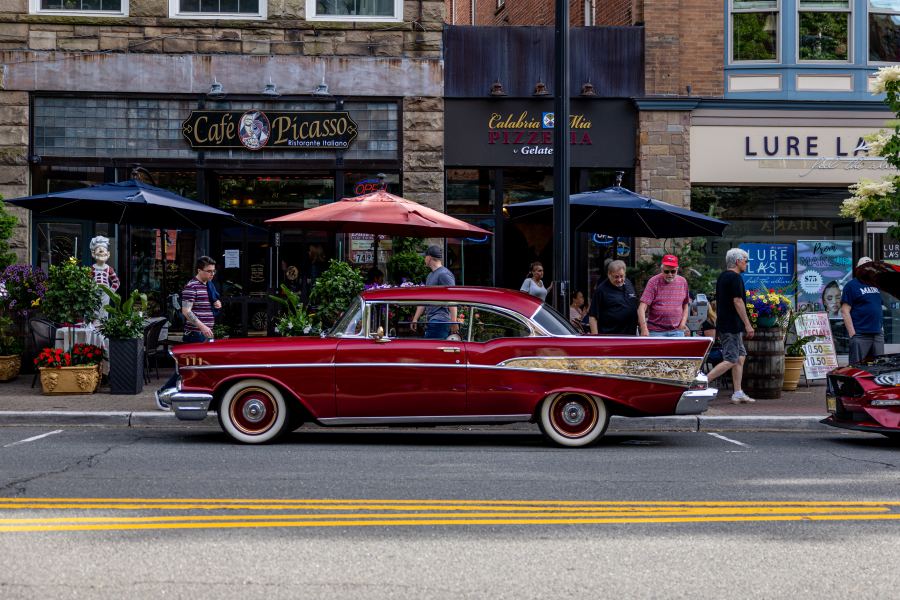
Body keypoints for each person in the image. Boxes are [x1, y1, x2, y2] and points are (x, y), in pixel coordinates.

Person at [706, 248, 756, 404]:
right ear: (737, 261)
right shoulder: (735, 278)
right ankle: (699, 383)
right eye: (745, 261)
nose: (746, 264)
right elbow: (738, 301)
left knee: (740, 357)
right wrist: (748, 324)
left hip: (727, 324)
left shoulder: (723, 277)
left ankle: (738, 392)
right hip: (731, 325)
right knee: (731, 359)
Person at [841, 256, 884, 364]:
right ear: (858, 269)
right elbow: (845, 311)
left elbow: (878, 307)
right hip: (860, 335)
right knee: (857, 368)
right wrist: (853, 334)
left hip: (877, 334)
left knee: (878, 368)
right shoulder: (851, 286)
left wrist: (881, 329)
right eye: (864, 266)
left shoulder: (876, 285)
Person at [411, 245, 459, 339]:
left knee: (430, 351)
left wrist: (454, 321)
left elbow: (452, 298)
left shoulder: (444, 274)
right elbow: (424, 298)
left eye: (425, 257)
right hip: (432, 321)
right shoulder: (430, 275)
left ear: (429, 258)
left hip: (440, 321)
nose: (424, 259)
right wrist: (415, 318)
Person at [637, 254, 690, 337]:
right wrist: (644, 328)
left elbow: (685, 304)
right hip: (656, 332)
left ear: (677, 270)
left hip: (676, 331)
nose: (670, 274)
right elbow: (642, 307)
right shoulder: (653, 282)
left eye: (673, 271)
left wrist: (683, 323)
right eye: (666, 271)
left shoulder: (683, 282)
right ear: (662, 270)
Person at [589, 259, 638, 335]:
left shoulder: (628, 283)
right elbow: (593, 317)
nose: (619, 280)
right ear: (609, 274)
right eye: (616, 277)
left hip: (630, 335)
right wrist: (596, 339)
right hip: (611, 337)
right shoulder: (601, 290)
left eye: (621, 276)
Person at [181, 256, 222, 343]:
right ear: (199, 270)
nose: (212, 274)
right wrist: (203, 327)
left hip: (206, 332)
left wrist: (216, 302)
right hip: (196, 334)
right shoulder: (191, 286)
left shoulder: (209, 285)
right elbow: (186, 311)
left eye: (214, 271)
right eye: (209, 271)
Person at [89, 236, 120, 321]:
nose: (101, 251)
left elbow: (116, 282)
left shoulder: (108, 268)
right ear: (93, 253)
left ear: (108, 254)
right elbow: (87, 281)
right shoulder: (92, 268)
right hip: (94, 292)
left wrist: (111, 291)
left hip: (106, 293)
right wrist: (90, 289)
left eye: (103, 249)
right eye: (99, 249)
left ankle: (103, 325)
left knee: (104, 310)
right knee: (94, 310)